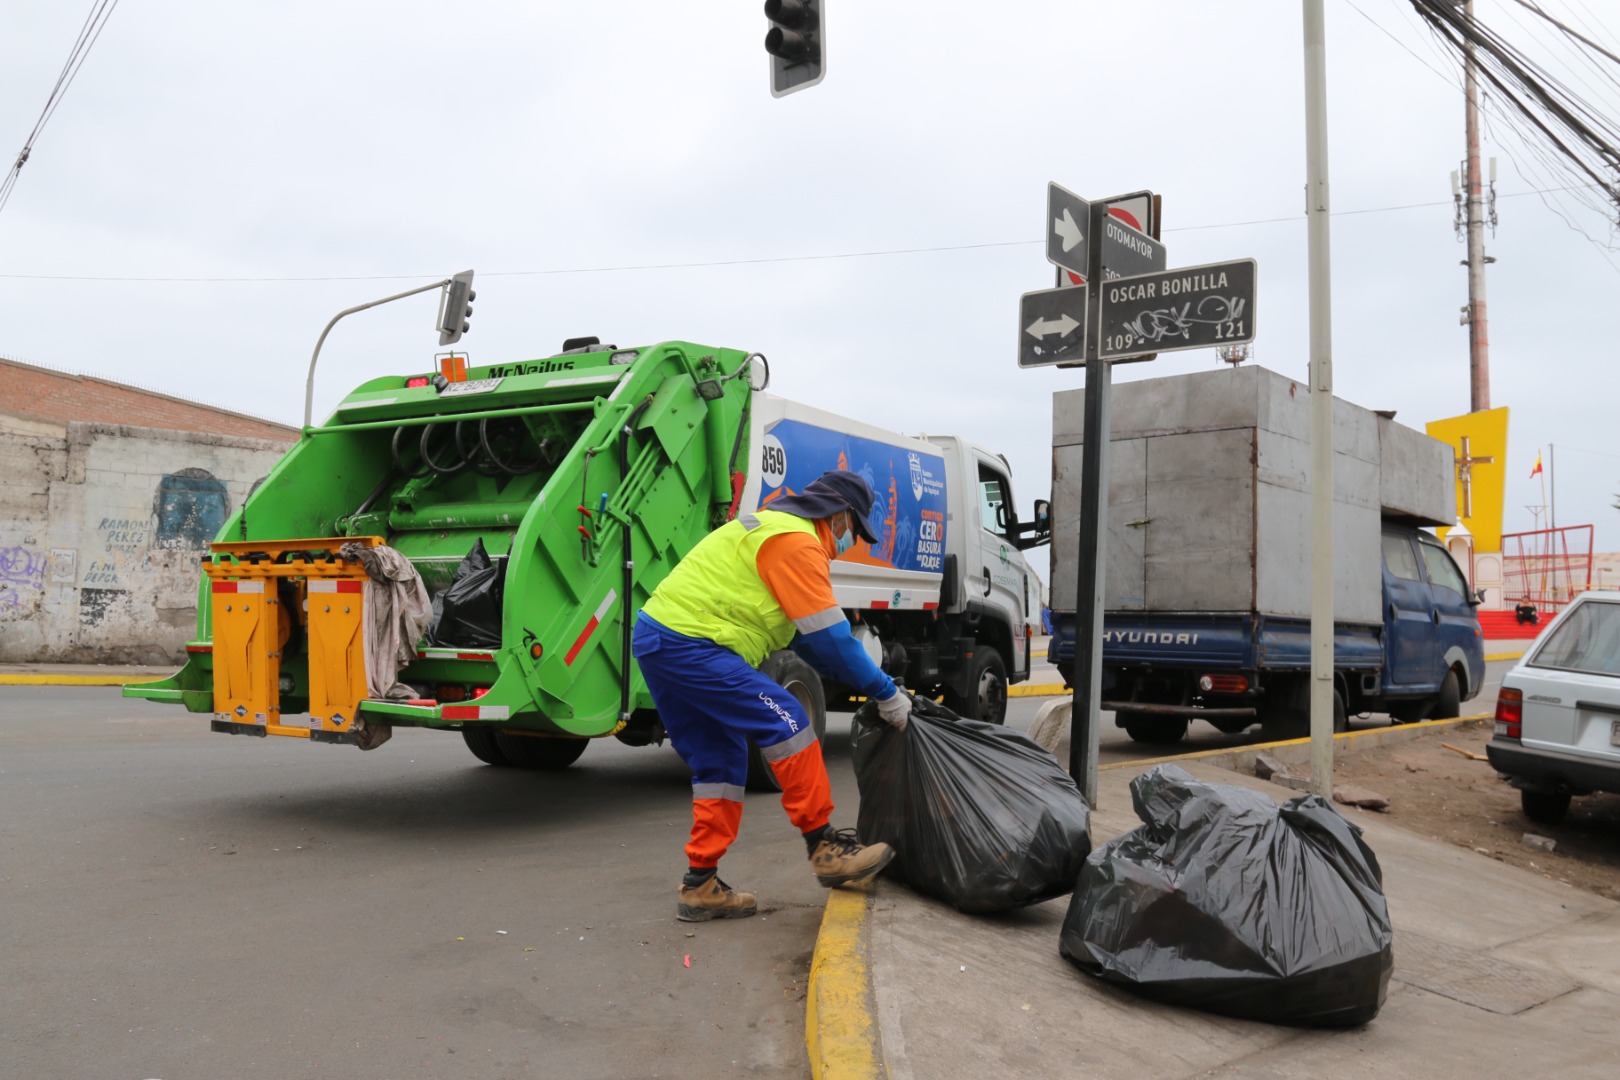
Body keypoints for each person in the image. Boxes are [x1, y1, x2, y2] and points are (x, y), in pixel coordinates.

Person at [633, 470, 914, 923]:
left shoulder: (773, 526)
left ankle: (699, 885)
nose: (853, 541)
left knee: (719, 761)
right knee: (788, 721)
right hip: (693, 643)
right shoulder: (798, 542)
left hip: (660, 640)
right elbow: (832, 641)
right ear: (839, 515)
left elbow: (803, 637)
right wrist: (886, 692)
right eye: (856, 531)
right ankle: (825, 848)